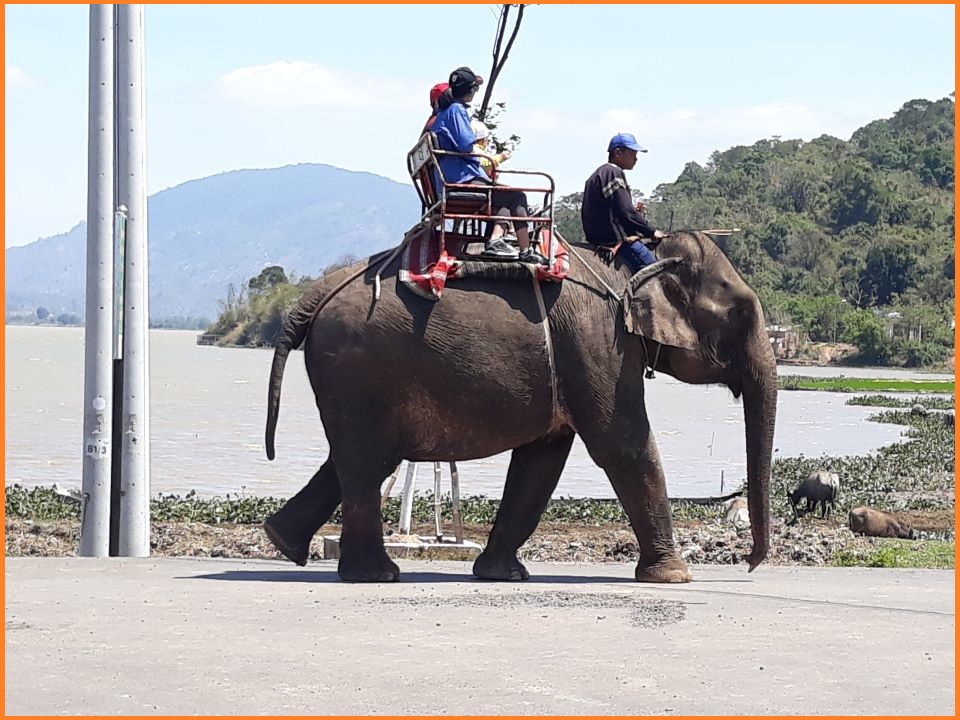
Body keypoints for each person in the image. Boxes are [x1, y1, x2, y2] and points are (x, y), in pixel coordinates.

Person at [431, 66, 544, 264]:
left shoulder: (442, 114)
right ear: (471, 90)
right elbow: (466, 144)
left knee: (503, 199)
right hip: (461, 179)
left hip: (452, 176)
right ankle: (525, 250)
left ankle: (496, 241)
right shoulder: (456, 110)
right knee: (517, 196)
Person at [580, 132, 667, 271]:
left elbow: (613, 210)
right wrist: (651, 231)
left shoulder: (598, 174)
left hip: (598, 238)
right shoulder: (613, 173)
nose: (636, 158)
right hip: (616, 240)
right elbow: (626, 212)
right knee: (656, 271)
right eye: (632, 153)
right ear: (618, 153)